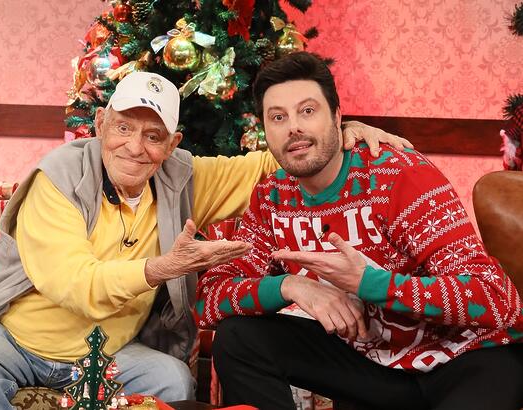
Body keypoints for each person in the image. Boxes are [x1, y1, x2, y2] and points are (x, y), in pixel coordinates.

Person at [0, 70, 407, 409]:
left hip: (106, 351)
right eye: (123, 128)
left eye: (153, 135)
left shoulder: (182, 176)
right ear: (99, 126)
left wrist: (340, 132)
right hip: (13, 338)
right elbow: (76, 284)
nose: (136, 148)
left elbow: (270, 162)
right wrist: (162, 268)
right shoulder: (57, 178)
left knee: (171, 377)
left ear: (173, 144)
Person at [196, 52, 523, 410]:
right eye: (278, 117)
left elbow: (496, 299)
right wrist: (289, 286)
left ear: (337, 117)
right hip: (374, 369)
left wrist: (369, 283)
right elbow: (209, 300)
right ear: (264, 129)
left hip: (467, 359)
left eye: (308, 111)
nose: (293, 127)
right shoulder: (272, 197)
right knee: (238, 338)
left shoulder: (400, 176)